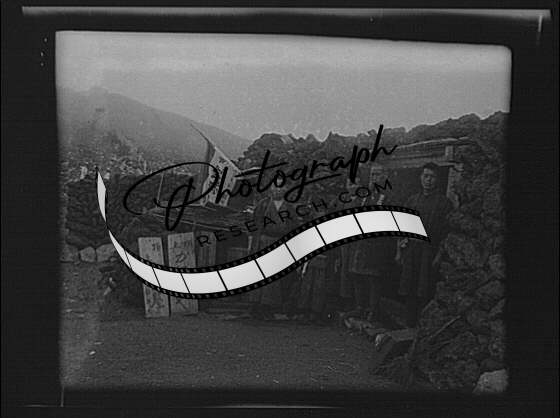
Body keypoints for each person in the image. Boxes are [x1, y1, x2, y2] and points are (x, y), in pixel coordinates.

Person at [397, 162, 453, 327]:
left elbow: (446, 233)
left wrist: (439, 255)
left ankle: (422, 326)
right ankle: (409, 323)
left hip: (429, 251)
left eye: (432, 177)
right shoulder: (412, 200)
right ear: (420, 178)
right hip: (411, 250)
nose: (428, 180)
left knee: (425, 287)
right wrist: (399, 251)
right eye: (425, 176)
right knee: (408, 286)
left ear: (437, 179)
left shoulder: (444, 203)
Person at [340, 173, 388, 321]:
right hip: (361, 243)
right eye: (372, 175)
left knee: (374, 277)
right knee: (357, 274)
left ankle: (373, 310)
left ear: (384, 177)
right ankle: (360, 307)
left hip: (377, 243)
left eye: (378, 175)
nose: (374, 178)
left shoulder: (388, 197)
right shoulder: (364, 197)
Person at [246, 187, 298, 319]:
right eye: (275, 187)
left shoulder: (289, 208)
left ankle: (268, 307)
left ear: (285, 190)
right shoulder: (263, 205)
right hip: (263, 241)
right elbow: (255, 224)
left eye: (281, 188)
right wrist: (254, 243)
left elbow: (293, 227)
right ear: (271, 189)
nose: (278, 191)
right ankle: (255, 306)